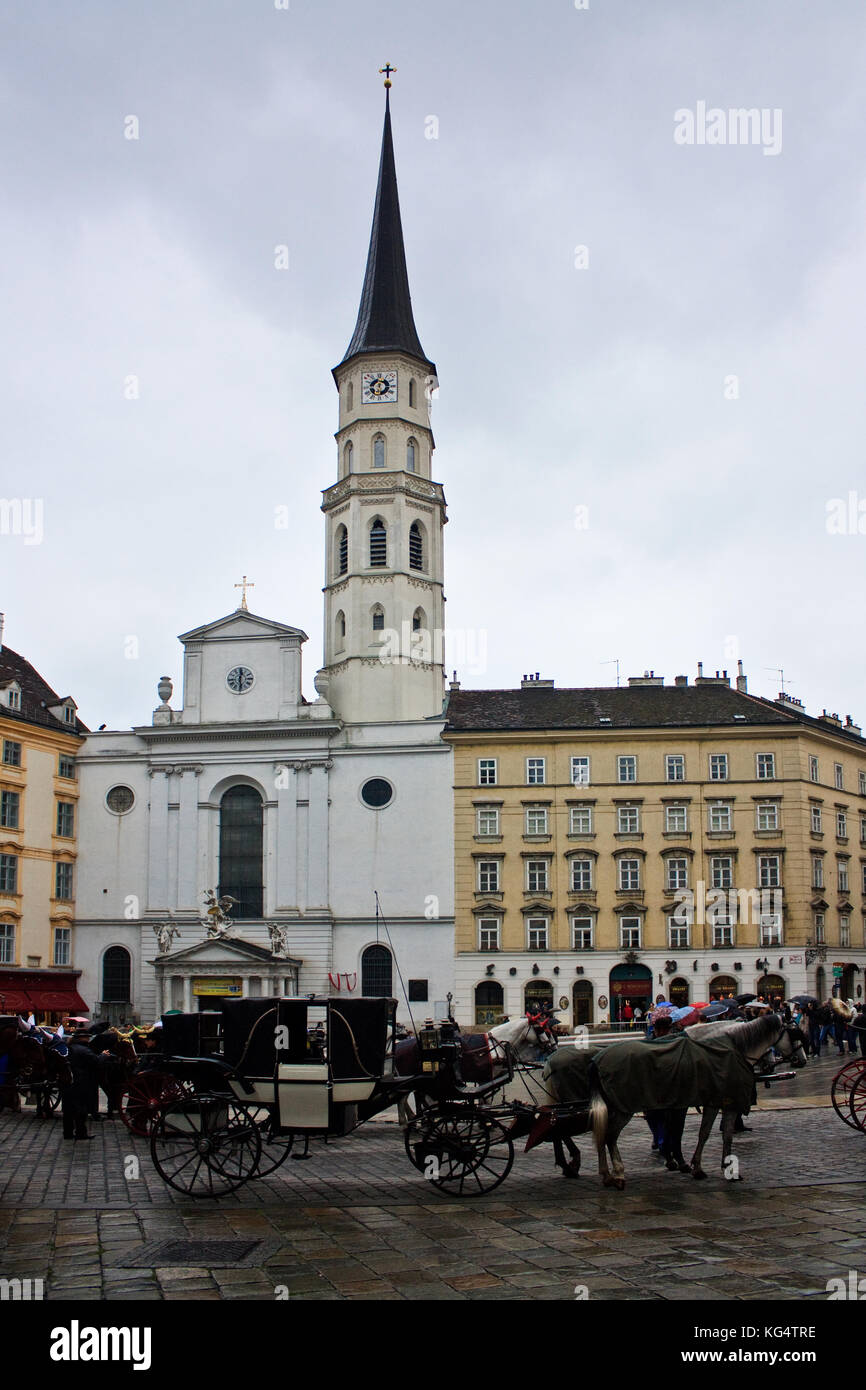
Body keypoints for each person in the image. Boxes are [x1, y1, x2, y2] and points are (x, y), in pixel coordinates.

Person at [60, 1029, 100, 1140]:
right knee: (81, 1109)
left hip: (68, 1082)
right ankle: (81, 1132)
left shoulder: (68, 1048)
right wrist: (104, 1056)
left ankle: (67, 1133)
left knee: (68, 1110)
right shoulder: (83, 1049)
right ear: (83, 1038)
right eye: (87, 1037)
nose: (88, 1039)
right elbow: (95, 1061)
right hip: (80, 1082)